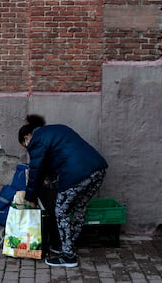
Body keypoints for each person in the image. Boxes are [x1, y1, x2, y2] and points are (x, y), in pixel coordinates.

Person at [18, 114, 108, 267]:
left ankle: (68, 256)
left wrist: (30, 197)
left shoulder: (37, 140)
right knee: (79, 207)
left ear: (27, 137)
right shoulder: (56, 130)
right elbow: (60, 156)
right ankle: (69, 246)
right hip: (98, 169)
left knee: (61, 211)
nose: (28, 148)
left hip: (77, 174)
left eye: (25, 145)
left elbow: (36, 170)